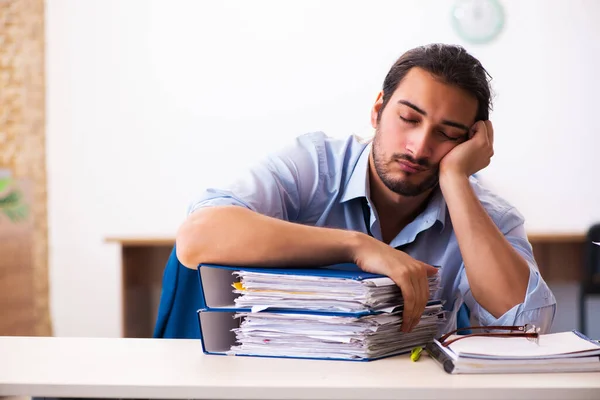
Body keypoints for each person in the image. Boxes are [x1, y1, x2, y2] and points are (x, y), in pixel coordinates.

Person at [176, 43, 557, 335]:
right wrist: (356, 246)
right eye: (408, 119)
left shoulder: (484, 212)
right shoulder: (314, 164)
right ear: (378, 111)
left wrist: (456, 180)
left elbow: (525, 328)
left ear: (471, 144)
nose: (419, 147)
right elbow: (197, 238)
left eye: (447, 134)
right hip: (290, 381)